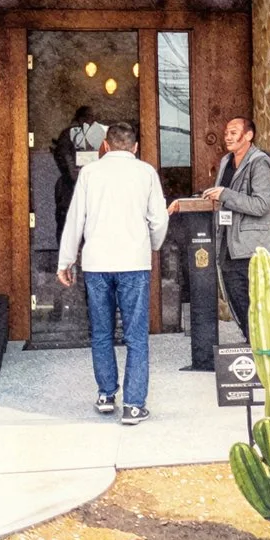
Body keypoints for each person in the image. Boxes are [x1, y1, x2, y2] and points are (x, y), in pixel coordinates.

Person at [57, 119, 168, 424]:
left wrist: (65, 260)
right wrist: (153, 246)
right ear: (135, 146)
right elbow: (159, 220)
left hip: (97, 263)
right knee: (136, 335)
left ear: (105, 144)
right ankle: (134, 405)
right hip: (134, 262)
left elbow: (75, 219)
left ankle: (106, 394)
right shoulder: (146, 172)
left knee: (102, 331)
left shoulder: (91, 172)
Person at [202, 115, 270, 337]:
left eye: (233, 132)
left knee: (256, 305)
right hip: (227, 243)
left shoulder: (259, 162)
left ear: (249, 135)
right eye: (226, 133)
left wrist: (225, 194)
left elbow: (261, 205)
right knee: (236, 299)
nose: (227, 137)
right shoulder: (226, 161)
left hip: (252, 247)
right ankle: (251, 343)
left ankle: (260, 347)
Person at [50, 104, 104, 232]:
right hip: (70, 187)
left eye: (94, 118)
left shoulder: (97, 136)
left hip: (91, 186)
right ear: (80, 118)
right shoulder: (69, 135)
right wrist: (73, 173)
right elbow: (64, 157)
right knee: (68, 224)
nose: (92, 121)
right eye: (89, 117)